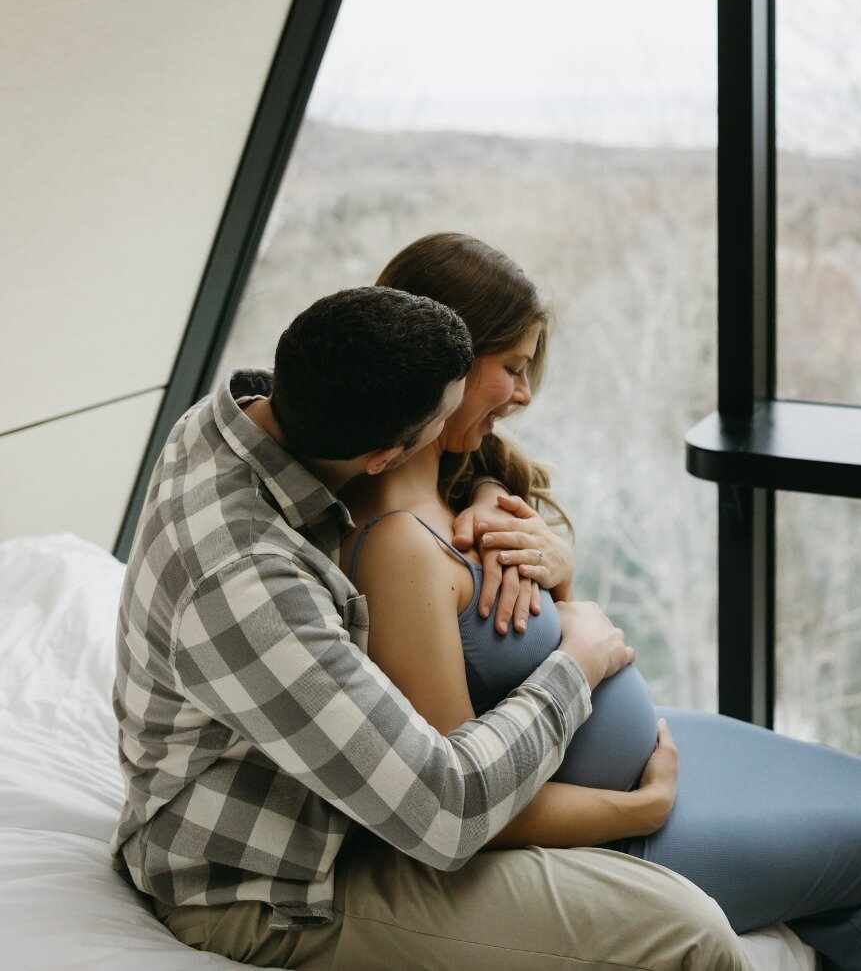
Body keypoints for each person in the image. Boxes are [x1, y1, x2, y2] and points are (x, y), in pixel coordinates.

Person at [335, 232, 861, 971]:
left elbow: (507, 638)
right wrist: (638, 808)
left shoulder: (453, 482)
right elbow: (464, 801)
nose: (524, 395)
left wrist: (553, 564)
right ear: (448, 362)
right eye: (514, 369)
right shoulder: (397, 547)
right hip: (603, 824)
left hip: (624, 763)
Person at [114, 284, 751, 971]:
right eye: (440, 432)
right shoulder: (248, 589)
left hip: (343, 806)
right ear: (384, 459)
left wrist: (486, 498)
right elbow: (446, 811)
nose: (460, 442)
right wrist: (583, 669)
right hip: (271, 880)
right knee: (693, 935)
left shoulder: (235, 421)